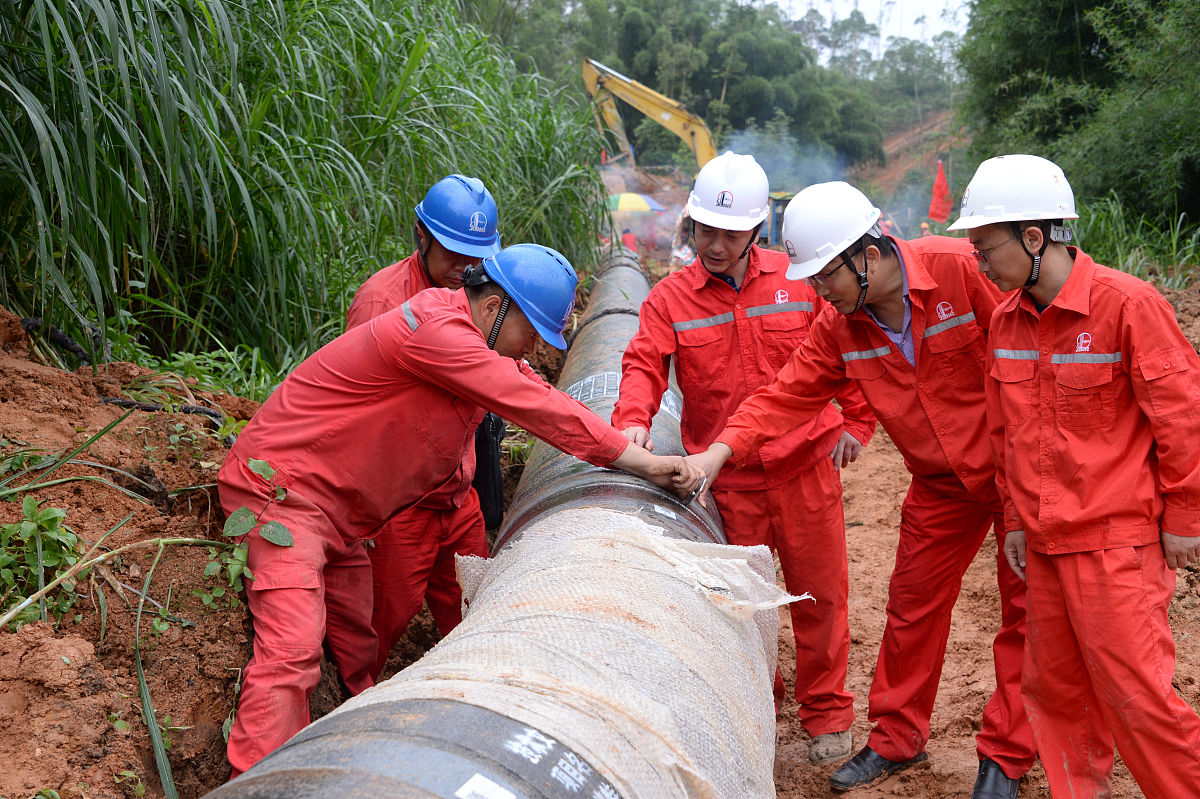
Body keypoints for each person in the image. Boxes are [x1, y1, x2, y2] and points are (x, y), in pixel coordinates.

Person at [218, 243, 704, 777]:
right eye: (533, 335)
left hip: (344, 514)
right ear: (495, 308)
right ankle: (258, 780)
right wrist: (642, 462)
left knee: (357, 642)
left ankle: (342, 744)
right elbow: (541, 409)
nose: (538, 352)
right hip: (284, 496)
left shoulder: (475, 342)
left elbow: (536, 390)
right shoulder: (439, 333)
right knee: (292, 649)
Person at [685, 181, 1036, 798]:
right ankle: (897, 739)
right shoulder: (839, 325)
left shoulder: (959, 272)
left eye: (825, 278)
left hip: (1019, 477)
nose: (817, 291)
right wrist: (717, 454)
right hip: (939, 485)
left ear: (867, 255)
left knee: (1028, 612)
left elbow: (1033, 356)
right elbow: (783, 396)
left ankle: (1005, 756)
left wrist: (1033, 485)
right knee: (911, 607)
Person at [610, 152, 877, 766]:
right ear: (690, 226)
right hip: (729, 484)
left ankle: (827, 715)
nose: (716, 244)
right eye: (706, 230)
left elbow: (850, 341)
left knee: (820, 598)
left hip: (806, 467)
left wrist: (858, 420)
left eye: (731, 233)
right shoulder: (670, 299)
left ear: (757, 229)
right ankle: (758, 707)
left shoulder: (797, 279)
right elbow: (643, 365)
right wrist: (632, 425)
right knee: (740, 612)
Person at [953, 153, 1200, 798]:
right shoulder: (1006, 321)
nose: (977, 258)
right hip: (1043, 543)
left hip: (1116, 546)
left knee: (1138, 700)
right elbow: (1005, 436)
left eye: (985, 244)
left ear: (1034, 238)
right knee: (1055, 693)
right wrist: (1013, 521)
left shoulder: (1127, 306)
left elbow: (1182, 420)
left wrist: (1186, 518)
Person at [345, 174, 507, 677]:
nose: (465, 268)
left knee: (477, 613)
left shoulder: (482, 298)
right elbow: (357, 414)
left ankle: (479, 692)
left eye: (476, 256)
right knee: (377, 625)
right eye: (453, 253)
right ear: (421, 235)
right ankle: (352, 710)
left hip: (458, 496)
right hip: (399, 506)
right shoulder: (383, 303)